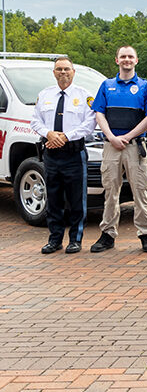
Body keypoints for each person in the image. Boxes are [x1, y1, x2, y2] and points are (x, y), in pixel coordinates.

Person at [90, 46, 147, 253]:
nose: (126, 60)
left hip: (134, 146)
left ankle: (146, 234)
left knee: (140, 190)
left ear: (136, 60)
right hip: (111, 146)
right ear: (116, 60)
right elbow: (99, 113)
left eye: (130, 56)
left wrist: (128, 137)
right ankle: (108, 234)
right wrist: (111, 137)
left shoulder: (145, 86)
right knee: (111, 191)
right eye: (123, 56)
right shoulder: (106, 85)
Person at [31, 56, 96, 254]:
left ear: (73, 72)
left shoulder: (84, 96)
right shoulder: (45, 95)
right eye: (59, 69)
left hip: (73, 154)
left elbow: (90, 124)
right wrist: (49, 133)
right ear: (54, 73)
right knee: (53, 199)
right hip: (51, 154)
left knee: (77, 200)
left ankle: (75, 240)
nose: (63, 72)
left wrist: (66, 136)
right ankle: (54, 239)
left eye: (67, 69)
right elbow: (35, 121)